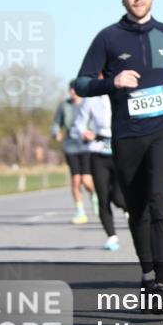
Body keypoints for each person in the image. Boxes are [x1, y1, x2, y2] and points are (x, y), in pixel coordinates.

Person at [75, 0, 163, 311]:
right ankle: (146, 275)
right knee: (137, 208)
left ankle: (162, 282)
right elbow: (81, 83)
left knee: (160, 199)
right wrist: (110, 83)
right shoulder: (108, 38)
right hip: (127, 134)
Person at [73, 86, 126, 251]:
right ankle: (111, 236)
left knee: (118, 196)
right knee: (102, 197)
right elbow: (79, 124)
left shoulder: (123, 93)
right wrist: (84, 133)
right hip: (98, 151)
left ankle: (128, 208)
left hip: (120, 148)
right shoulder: (91, 99)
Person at [51, 83, 97, 224]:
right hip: (71, 146)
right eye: (71, 89)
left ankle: (95, 195)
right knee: (76, 180)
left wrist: (93, 133)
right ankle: (80, 212)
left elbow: (96, 121)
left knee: (86, 180)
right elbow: (57, 123)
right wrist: (56, 133)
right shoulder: (64, 105)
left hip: (86, 146)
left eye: (75, 89)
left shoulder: (88, 103)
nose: (73, 91)